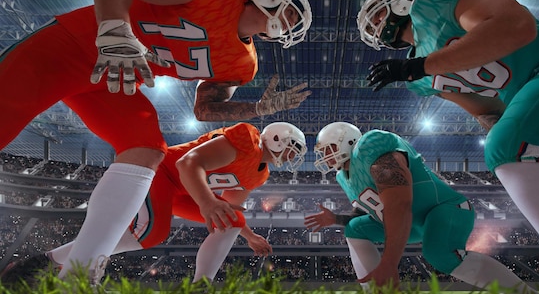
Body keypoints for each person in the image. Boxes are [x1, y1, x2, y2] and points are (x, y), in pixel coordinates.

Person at [0, 0, 312, 280]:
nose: (287, 24)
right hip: (73, 45)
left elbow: (204, 109)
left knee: (146, 147)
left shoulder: (242, 64)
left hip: (115, 81)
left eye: (293, 23)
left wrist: (258, 109)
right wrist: (115, 30)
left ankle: (78, 274)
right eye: (291, 13)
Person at [356, 0, 539, 288]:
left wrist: (420, 66)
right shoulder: (417, 78)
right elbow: (485, 109)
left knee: (506, 147)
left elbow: (517, 27)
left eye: (377, 14)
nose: (376, 25)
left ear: (402, 0)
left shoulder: (437, 1)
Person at [0, 121, 308, 285]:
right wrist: (206, 204)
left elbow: (231, 208)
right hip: (162, 173)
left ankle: (202, 283)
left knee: (234, 220)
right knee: (151, 234)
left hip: (185, 192)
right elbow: (188, 164)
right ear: (276, 139)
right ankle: (45, 261)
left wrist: (249, 234)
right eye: (292, 149)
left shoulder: (260, 173)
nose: (292, 157)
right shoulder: (246, 141)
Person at [305, 122, 537, 292]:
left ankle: (524, 292)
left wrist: (389, 263)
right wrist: (335, 218)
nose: (325, 156)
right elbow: (368, 212)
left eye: (328, 148)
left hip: (445, 209)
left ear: (349, 141)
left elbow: (400, 202)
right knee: (355, 227)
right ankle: (377, 291)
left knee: (438, 254)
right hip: (411, 222)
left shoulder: (369, 146)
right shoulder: (343, 177)